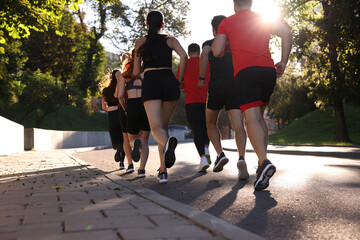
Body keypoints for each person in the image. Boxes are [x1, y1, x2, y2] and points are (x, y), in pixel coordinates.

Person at [212, 0, 292, 190]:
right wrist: (283, 61)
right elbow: (287, 33)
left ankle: (264, 162)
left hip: (246, 73)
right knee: (260, 118)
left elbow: (216, 51)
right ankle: (261, 167)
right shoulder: (262, 19)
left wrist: (226, 42)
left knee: (252, 119)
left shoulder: (227, 22)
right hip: (268, 71)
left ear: (235, 4)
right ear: (251, 3)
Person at [134, 10, 187, 183]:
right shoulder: (170, 40)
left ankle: (169, 144)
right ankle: (163, 171)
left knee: (156, 128)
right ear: (162, 24)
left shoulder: (140, 42)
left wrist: (146, 67)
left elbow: (135, 71)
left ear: (146, 24)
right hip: (169, 81)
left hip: (151, 83)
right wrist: (178, 79)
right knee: (162, 127)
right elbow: (184, 56)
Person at [199, 15, 249, 180]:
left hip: (216, 88)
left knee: (210, 123)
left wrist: (201, 78)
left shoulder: (209, 43)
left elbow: (205, 54)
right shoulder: (236, 42)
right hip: (235, 87)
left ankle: (220, 154)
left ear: (214, 30)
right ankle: (241, 158)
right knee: (238, 125)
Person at [177, 43, 211, 172]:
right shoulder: (207, 63)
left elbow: (179, 85)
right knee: (207, 128)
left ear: (189, 52)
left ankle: (203, 159)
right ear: (199, 51)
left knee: (197, 131)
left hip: (192, 102)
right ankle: (206, 148)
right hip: (207, 101)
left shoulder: (183, 65)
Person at [118, 50, 151, 178]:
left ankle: (134, 145)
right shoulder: (145, 73)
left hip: (131, 106)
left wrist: (125, 109)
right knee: (145, 140)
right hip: (145, 106)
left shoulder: (124, 75)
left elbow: (120, 96)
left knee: (131, 138)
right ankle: (142, 170)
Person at [102, 69, 126, 168]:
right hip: (121, 113)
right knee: (124, 138)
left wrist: (110, 109)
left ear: (111, 77)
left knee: (115, 136)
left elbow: (103, 107)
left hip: (111, 115)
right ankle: (122, 163)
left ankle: (117, 147)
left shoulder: (105, 90)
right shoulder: (123, 88)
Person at [114, 70, 135, 173]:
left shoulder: (122, 80)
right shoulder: (136, 77)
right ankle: (135, 145)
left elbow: (118, 96)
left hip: (123, 109)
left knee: (125, 138)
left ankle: (130, 164)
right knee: (137, 135)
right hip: (135, 106)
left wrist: (124, 109)